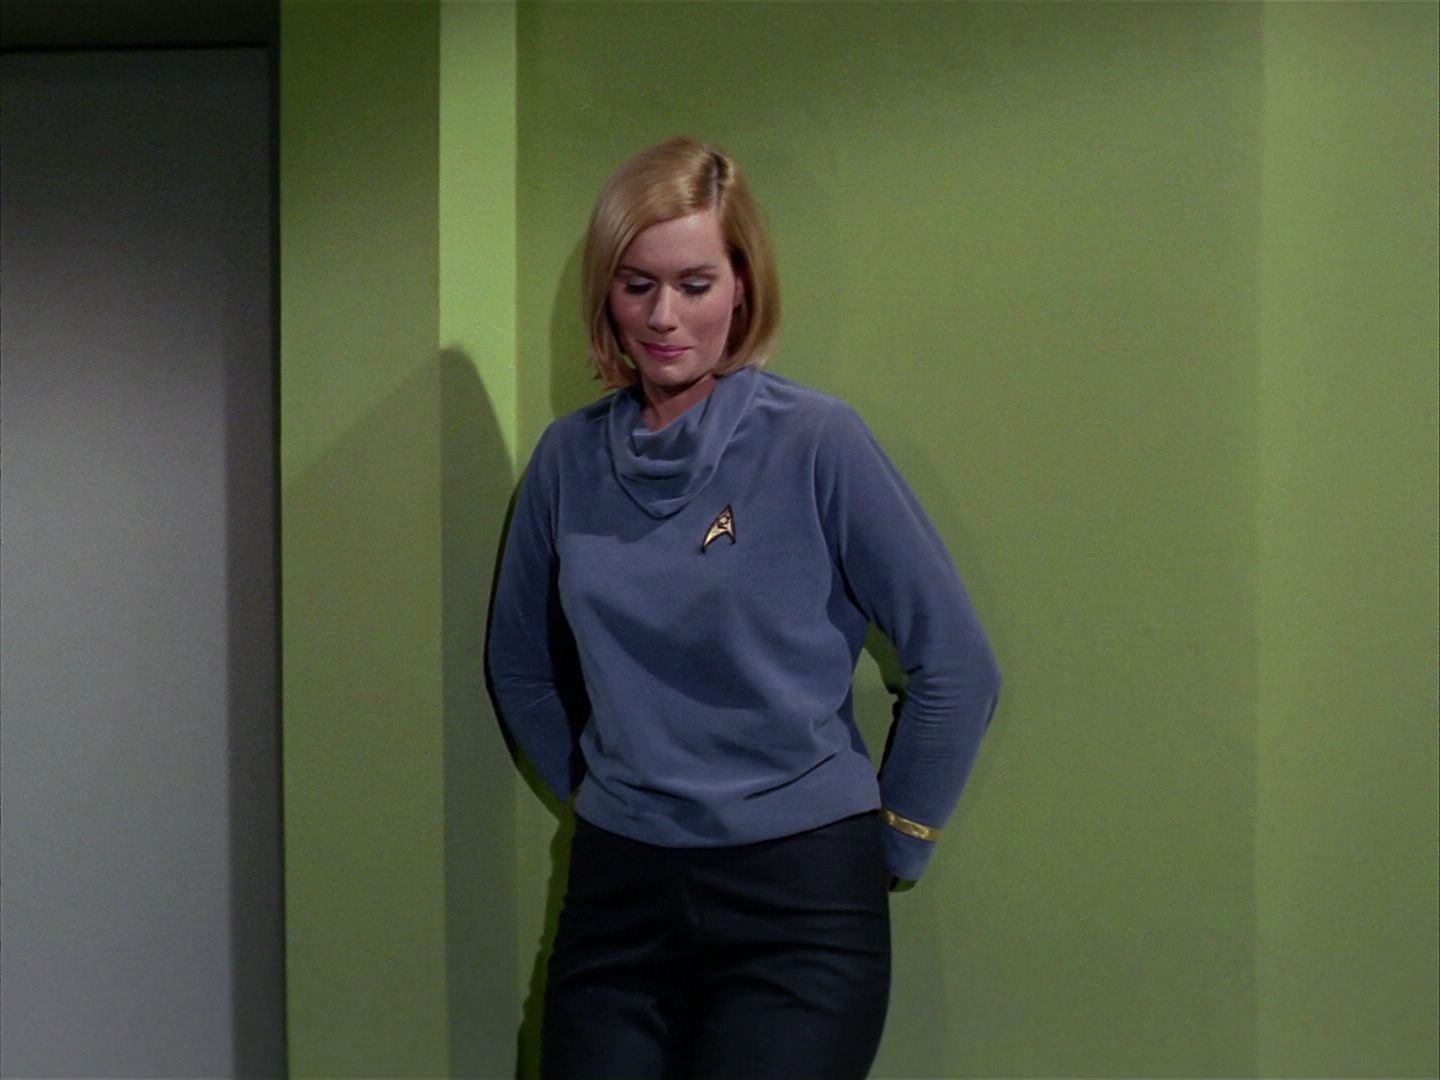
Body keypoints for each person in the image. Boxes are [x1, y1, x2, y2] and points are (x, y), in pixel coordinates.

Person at [487, 136, 1000, 1080]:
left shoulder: (817, 443)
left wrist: (900, 839)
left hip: (799, 908)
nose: (664, 316)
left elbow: (957, 666)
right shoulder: (566, 460)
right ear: (606, 293)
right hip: (617, 898)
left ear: (743, 287)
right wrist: (606, 792)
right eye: (637, 285)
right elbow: (519, 665)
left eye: (695, 284)